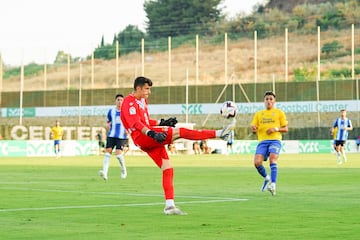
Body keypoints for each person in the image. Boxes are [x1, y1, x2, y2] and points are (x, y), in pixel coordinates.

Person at [120, 76, 235, 215]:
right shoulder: (128, 102)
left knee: (168, 168)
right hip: (143, 136)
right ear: (138, 88)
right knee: (180, 132)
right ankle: (218, 133)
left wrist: (163, 122)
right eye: (146, 89)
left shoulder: (143, 101)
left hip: (148, 137)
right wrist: (152, 133)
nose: (148, 92)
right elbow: (136, 124)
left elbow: (145, 120)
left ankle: (169, 206)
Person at [250, 91, 288, 196]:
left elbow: (285, 128)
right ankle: (267, 178)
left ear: (274, 101)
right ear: (264, 101)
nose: (269, 101)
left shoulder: (279, 113)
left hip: (275, 140)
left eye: (271, 99)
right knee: (257, 163)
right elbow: (254, 128)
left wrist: (275, 129)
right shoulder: (258, 114)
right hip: (262, 141)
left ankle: (273, 185)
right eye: (267, 99)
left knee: (273, 159)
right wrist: (253, 128)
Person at [98, 94, 128, 180]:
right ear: (115, 101)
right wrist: (107, 125)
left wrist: (128, 130)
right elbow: (108, 121)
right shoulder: (111, 111)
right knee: (107, 153)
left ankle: (123, 170)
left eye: (121, 100)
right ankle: (104, 172)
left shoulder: (126, 111)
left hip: (122, 136)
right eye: (118, 100)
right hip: (111, 135)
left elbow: (129, 122)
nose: (120, 102)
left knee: (118, 154)